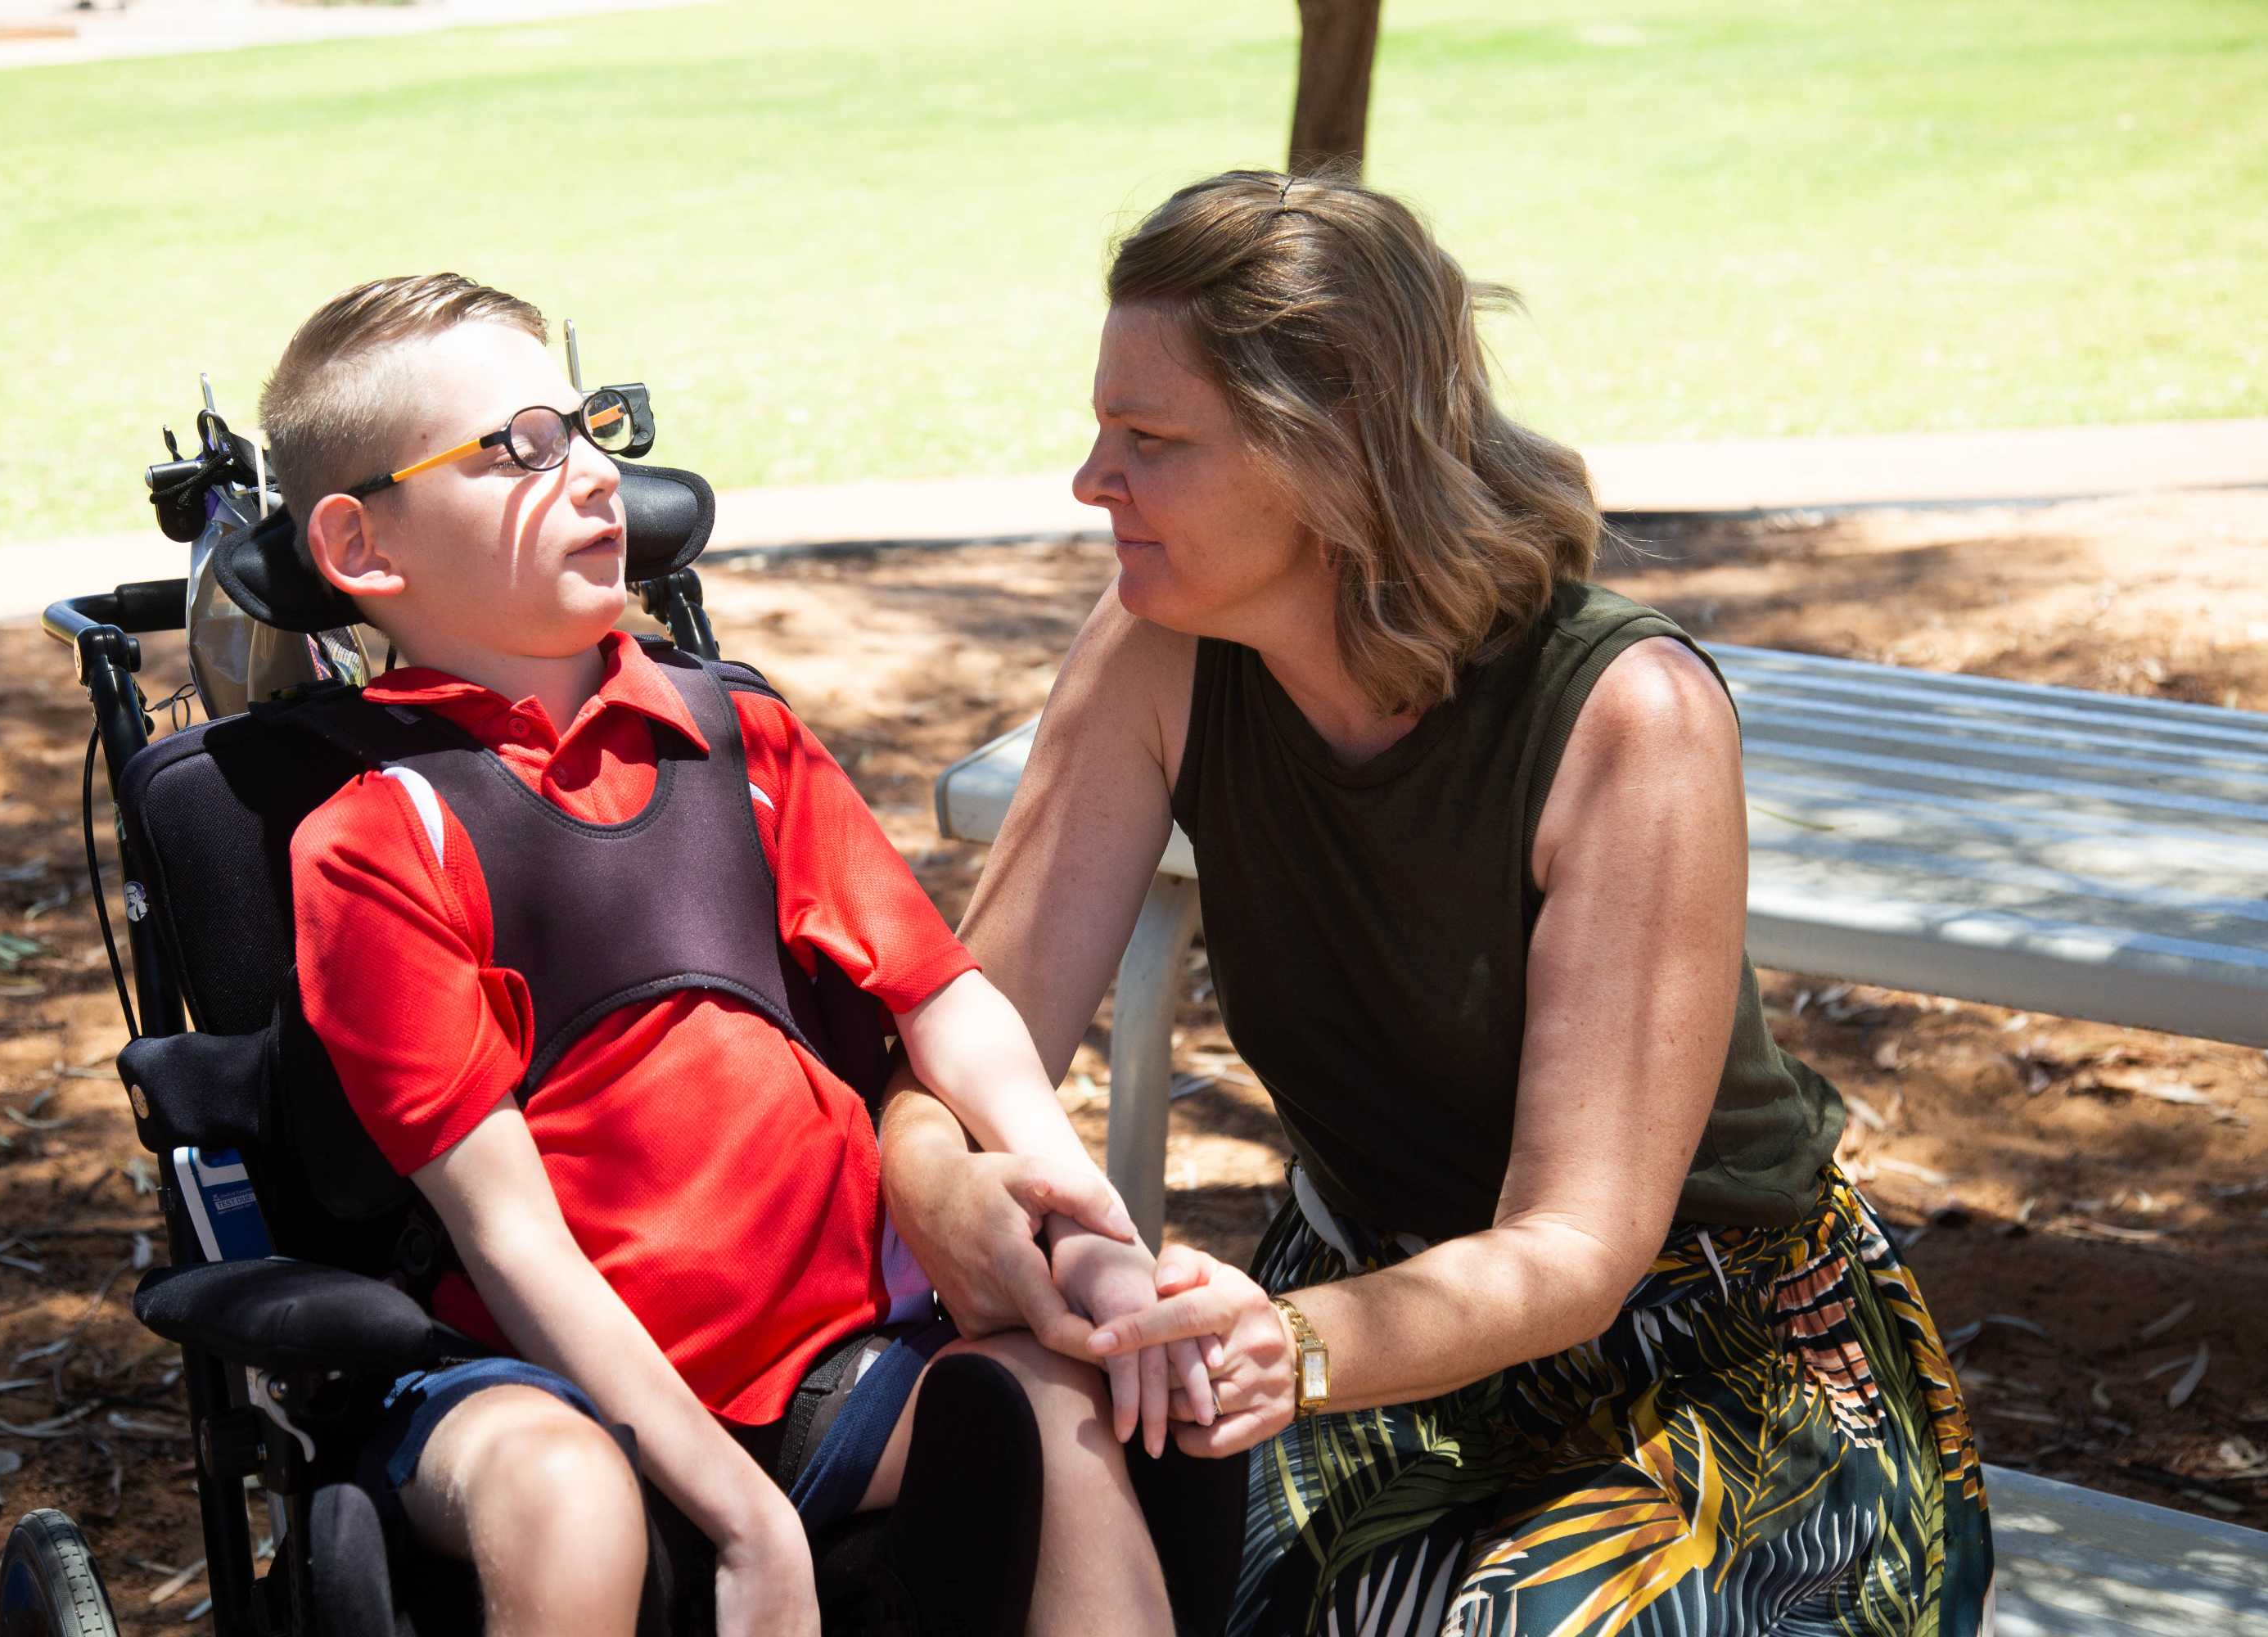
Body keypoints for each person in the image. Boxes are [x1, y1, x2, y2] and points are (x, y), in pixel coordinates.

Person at [877, 171, 1995, 1636]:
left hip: (1712, 1367)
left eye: (1150, 440)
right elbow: (965, 1040)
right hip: (1346, 1308)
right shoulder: (1161, 646)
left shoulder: (1627, 717)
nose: (1094, 481)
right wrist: (941, 1183)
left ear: (1328, 458)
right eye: (1103, 428)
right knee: (1039, 1541)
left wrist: (1296, 1343)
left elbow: (1575, 1254)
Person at [268, 274, 1199, 1637]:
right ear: (361, 547)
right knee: (571, 1506)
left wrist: (1080, 1218)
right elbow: (508, 1236)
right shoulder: (375, 840)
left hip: (832, 1353)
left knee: (1060, 1409)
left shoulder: (739, 742)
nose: (588, 471)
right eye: (519, 448)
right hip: (542, 1378)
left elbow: (943, 1001)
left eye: (588, 426)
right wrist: (744, 1516)